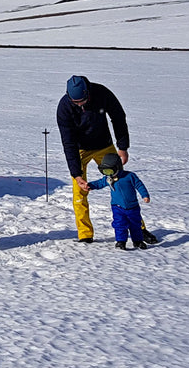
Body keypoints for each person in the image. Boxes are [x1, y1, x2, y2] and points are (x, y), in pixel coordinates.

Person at [56, 74, 132, 243]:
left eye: (82, 101)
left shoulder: (101, 93)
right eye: (76, 102)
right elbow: (68, 142)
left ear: (88, 92)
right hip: (79, 150)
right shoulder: (64, 108)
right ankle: (85, 234)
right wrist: (76, 174)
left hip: (104, 146)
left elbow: (118, 117)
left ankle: (138, 228)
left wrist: (122, 147)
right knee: (79, 192)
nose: (80, 104)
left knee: (121, 186)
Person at [85, 152, 150, 249]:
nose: (108, 174)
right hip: (117, 207)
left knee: (135, 224)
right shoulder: (108, 179)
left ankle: (138, 241)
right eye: (105, 172)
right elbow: (99, 183)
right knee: (119, 224)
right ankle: (121, 241)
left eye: (110, 171)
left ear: (117, 167)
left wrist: (145, 195)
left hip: (133, 207)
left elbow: (139, 185)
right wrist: (90, 185)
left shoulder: (129, 176)